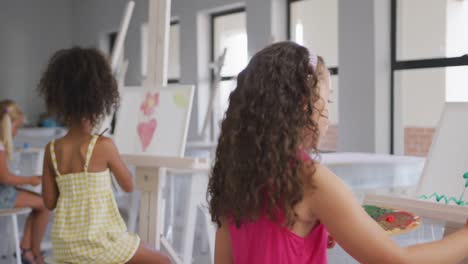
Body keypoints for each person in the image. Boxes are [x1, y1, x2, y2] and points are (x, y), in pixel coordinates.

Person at [208, 41, 468, 264]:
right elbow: (399, 261)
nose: (328, 114)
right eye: (327, 100)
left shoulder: (236, 172)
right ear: (303, 105)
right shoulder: (311, 179)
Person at [38, 47, 170, 264]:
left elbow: (50, 202)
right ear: (100, 100)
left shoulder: (51, 150)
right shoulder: (103, 145)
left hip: (65, 248)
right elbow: (128, 185)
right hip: (99, 243)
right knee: (163, 261)